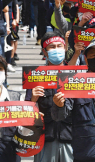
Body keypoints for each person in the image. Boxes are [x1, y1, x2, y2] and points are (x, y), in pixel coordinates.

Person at [26, 32, 73, 162]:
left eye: (59, 46)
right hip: (45, 139)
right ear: (44, 52)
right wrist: (33, 100)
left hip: (71, 137)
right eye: (52, 47)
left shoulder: (75, 75)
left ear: (65, 48)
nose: (56, 50)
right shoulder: (35, 76)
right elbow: (26, 113)